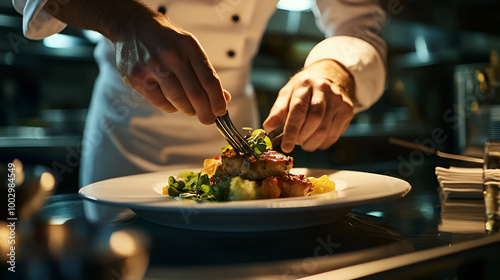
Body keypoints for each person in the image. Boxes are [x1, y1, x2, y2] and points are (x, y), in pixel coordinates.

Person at [13, 0, 387, 188]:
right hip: (125, 144)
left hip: (239, 130)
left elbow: (360, 19)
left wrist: (332, 69)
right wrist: (126, 21)